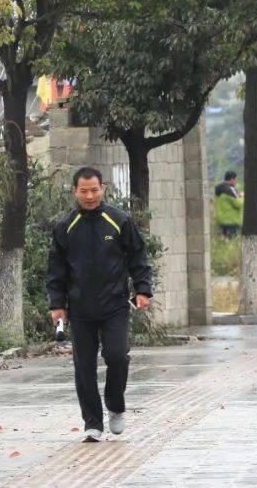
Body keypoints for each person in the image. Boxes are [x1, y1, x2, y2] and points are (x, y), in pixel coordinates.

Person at [47, 167, 153, 443]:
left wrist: (143, 289)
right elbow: (56, 270)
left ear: (103, 188)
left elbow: (138, 257)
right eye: (84, 191)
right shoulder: (65, 226)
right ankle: (92, 423)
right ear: (75, 192)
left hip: (115, 305)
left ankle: (115, 405)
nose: (90, 195)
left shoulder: (118, 220)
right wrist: (57, 304)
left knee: (117, 356)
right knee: (84, 366)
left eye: (94, 190)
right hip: (80, 309)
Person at [213, 171, 243, 239]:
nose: (236, 181)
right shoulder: (230, 189)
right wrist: (242, 196)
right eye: (235, 179)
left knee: (226, 241)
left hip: (221, 221)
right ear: (232, 179)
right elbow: (238, 204)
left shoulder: (218, 189)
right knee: (233, 242)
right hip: (231, 221)